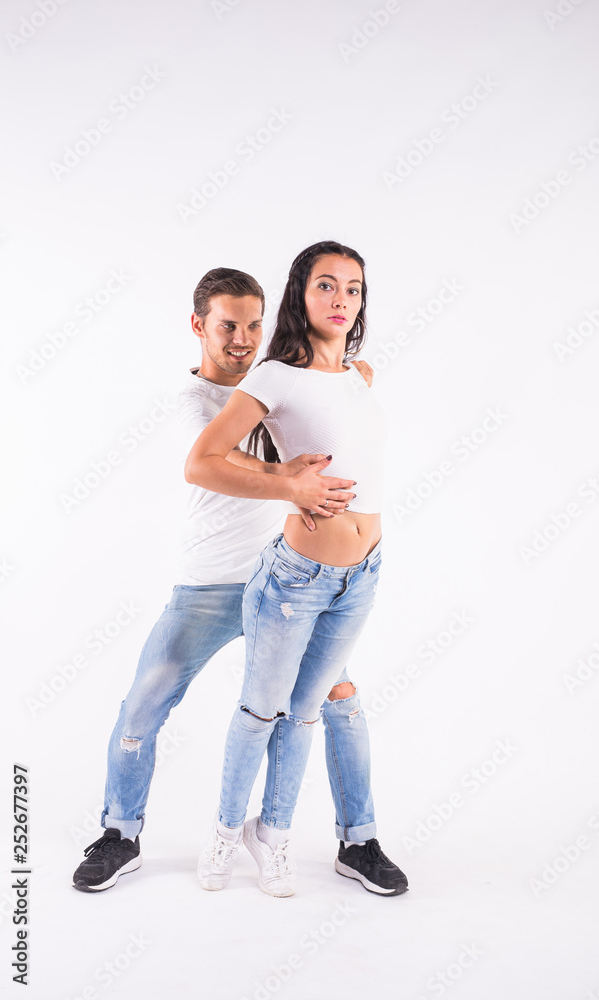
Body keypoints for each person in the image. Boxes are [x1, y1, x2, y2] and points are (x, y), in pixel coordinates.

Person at [72, 265, 407, 898]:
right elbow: (213, 462)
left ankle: (358, 841)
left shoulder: (282, 380)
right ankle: (120, 833)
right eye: (228, 325)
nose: (242, 339)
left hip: (290, 584)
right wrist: (290, 481)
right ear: (198, 326)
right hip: (211, 585)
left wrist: (347, 386)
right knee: (145, 699)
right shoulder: (194, 402)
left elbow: (336, 403)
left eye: (254, 325)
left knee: (337, 701)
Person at [186, 241, 407, 898]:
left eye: (353, 288)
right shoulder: (276, 376)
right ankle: (224, 833)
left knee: (306, 713)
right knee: (261, 712)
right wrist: (287, 484)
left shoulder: (360, 375)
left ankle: (273, 836)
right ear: (299, 294)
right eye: (326, 285)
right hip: (296, 580)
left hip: (361, 576)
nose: (341, 299)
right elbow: (202, 461)